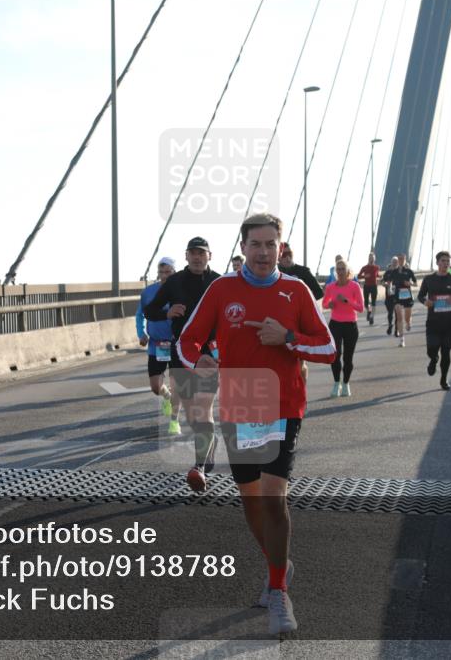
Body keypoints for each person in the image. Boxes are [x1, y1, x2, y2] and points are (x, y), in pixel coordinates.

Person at [177, 213, 335, 635]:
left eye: (271, 245)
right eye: (256, 245)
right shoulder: (222, 289)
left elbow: (329, 348)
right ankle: (277, 563)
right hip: (241, 403)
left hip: (284, 405)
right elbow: (187, 340)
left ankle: (279, 591)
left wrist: (286, 338)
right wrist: (200, 360)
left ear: (280, 248)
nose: (264, 253)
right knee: (250, 502)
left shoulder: (296, 290)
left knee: (272, 499)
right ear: (243, 247)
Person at [144, 237, 220, 490]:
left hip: (209, 352)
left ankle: (198, 466)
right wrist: (166, 313)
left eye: (202, 253)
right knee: (191, 412)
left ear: (210, 256)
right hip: (180, 351)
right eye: (193, 253)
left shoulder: (219, 282)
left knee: (203, 407)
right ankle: (209, 443)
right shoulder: (174, 282)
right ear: (186, 257)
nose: (198, 258)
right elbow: (150, 310)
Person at [136, 257, 182, 435]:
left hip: (176, 344)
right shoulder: (148, 292)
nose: (164, 276)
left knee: (177, 384)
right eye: (161, 272)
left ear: (174, 273)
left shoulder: (181, 291)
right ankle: (166, 396)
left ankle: (174, 421)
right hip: (156, 344)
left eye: (168, 272)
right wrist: (141, 333)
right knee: (156, 387)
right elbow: (140, 315)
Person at [418, 251, 451, 390]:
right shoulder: (429, 279)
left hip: (450, 322)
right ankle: (433, 359)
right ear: (437, 262)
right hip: (433, 321)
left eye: (448, 261)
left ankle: (444, 380)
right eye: (443, 261)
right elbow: (420, 296)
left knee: (446, 352)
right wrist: (425, 301)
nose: (446, 263)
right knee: (431, 349)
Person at [278, 242, 324, 385]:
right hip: (279, 323)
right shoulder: (274, 273)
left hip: (299, 323)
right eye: (284, 255)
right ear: (279, 256)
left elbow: (318, 292)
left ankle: (302, 392)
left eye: (289, 254)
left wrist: (302, 305)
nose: (287, 257)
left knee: (299, 362)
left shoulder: (303, 271)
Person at [323, 258, 364, 397]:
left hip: (350, 325)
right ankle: (336, 384)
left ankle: (346, 383)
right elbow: (324, 303)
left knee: (348, 358)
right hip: (335, 324)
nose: (340, 272)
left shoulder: (354, 286)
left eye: (342, 269)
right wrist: (330, 305)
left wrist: (346, 301)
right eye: (338, 269)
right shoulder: (331, 287)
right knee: (335, 355)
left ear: (348, 271)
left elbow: (361, 308)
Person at [389, 253, 417, 347]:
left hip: (407, 295)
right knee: (399, 317)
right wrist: (389, 289)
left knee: (407, 318)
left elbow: (415, 283)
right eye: (399, 259)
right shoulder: (394, 271)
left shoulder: (409, 271)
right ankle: (402, 339)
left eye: (402, 259)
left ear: (405, 260)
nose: (401, 261)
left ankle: (408, 323)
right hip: (397, 296)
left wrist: (410, 283)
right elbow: (389, 281)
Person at [357, 253, 381, 326]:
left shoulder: (377, 267)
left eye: (373, 258)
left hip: (374, 286)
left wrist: (381, 277)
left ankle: (372, 317)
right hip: (367, 286)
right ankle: (369, 311)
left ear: (375, 259)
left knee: (373, 302)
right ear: (368, 258)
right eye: (370, 257)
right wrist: (365, 276)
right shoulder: (364, 267)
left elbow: (377, 275)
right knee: (366, 303)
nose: (371, 259)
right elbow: (358, 276)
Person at [381, 256, 399, 335]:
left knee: (397, 313)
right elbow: (382, 281)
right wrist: (385, 284)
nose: (395, 263)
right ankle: (390, 325)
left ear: (398, 263)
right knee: (390, 313)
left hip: (398, 297)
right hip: (389, 296)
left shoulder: (400, 272)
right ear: (391, 263)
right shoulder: (387, 273)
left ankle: (397, 329)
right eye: (393, 262)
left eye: (396, 262)